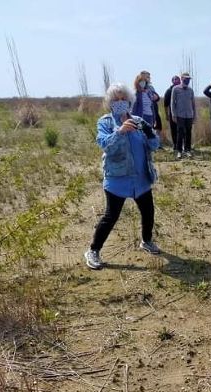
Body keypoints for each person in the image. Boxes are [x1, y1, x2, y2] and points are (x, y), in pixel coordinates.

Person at [84, 83, 161, 270]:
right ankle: (93, 250)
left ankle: (146, 241)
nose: (120, 102)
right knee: (111, 216)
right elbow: (104, 144)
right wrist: (120, 131)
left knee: (148, 212)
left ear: (129, 101)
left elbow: (154, 146)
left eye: (123, 99)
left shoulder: (139, 121)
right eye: (116, 99)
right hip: (117, 179)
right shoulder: (106, 122)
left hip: (141, 178)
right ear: (110, 102)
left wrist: (151, 134)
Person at [170, 72, 196, 159]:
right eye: (185, 78)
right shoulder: (175, 89)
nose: (187, 80)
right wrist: (173, 114)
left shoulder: (190, 90)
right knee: (180, 133)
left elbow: (193, 104)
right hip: (179, 115)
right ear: (182, 78)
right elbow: (172, 103)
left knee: (188, 133)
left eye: (188, 79)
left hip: (189, 115)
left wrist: (194, 116)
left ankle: (188, 150)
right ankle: (179, 151)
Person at [164, 75, 181, 148]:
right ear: (172, 81)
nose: (176, 81)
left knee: (181, 129)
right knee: (173, 129)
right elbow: (165, 104)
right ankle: (175, 145)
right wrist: (166, 115)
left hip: (182, 113)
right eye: (175, 80)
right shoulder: (169, 91)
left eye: (178, 79)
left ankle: (182, 145)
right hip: (172, 113)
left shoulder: (182, 89)